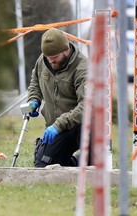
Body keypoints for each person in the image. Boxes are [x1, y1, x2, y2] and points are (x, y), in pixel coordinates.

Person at [27, 28, 90, 168]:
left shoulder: (82, 68)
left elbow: (86, 105)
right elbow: (35, 82)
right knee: (42, 166)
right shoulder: (44, 60)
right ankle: (73, 163)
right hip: (56, 128)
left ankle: (86, 159)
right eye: (48, 57)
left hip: (79, 125)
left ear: (66, 50)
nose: (50, 61)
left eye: (54, 57)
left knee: (95, 158)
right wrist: (34, 99)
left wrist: (59, 124)